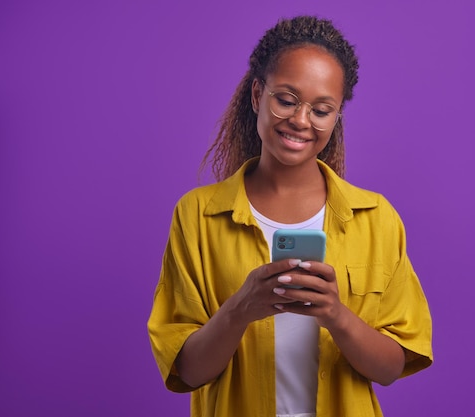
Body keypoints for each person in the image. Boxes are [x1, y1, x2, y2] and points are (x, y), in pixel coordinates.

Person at [147, 15, 433, 417]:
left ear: (335, 118)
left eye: (321, 109)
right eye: (286, 99)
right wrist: (240, 308)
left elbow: (390, 369)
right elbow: (188, 372)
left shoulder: (377, 218)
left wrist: (336, 315)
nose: (301, 120)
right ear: (256, 95)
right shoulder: (197, 215)